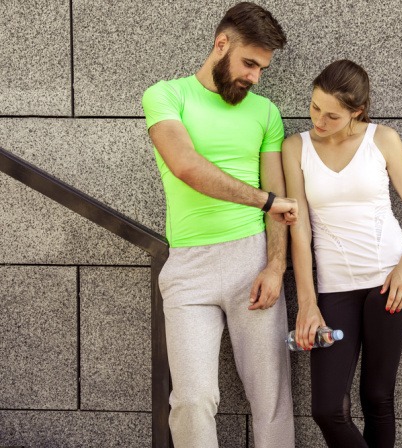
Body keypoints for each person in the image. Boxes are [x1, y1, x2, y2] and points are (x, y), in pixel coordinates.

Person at [141, 3, 296, 447]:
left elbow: (279, 201)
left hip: (252, 260)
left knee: (271, 399)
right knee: (191, 398)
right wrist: (265, 200)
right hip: (189, 267)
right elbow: (186, 165)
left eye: (262, 68)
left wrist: (275, 265)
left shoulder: (265, 112)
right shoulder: (166, 96)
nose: (254, 77)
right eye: (249, 63)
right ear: (221, 43)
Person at [283, 59, 402, 447]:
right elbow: (299, 230)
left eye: (332, 115)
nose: (319, 119)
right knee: (327, 409)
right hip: (333, 291)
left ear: (357, 112)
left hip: (389, 283)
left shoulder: (382, 140)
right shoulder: (295, 147)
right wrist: (307, 303)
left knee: (377, 397)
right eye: (315, 107)